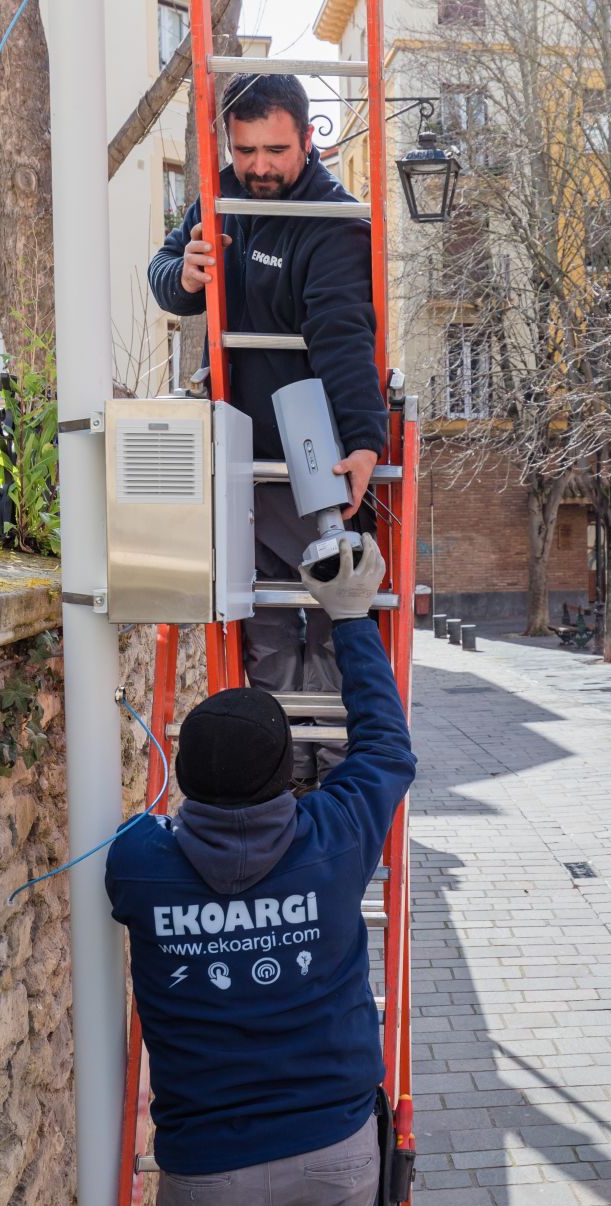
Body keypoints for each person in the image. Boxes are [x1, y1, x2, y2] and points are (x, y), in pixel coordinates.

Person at [106, 537, 415, 1206]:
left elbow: (144, 843)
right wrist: (350, 617)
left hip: (208, 1172)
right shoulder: (332, 840)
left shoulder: (139, 864)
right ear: (287, 773)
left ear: (187, 777)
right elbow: (386, 751)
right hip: (332, 1152)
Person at [149, 73, 386, 782]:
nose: (259, 165)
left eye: (275, 150)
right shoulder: (220, 200)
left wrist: (365, 440)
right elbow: (163, 273)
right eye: (246, 148)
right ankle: (281, 784)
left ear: (308, 140)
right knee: (269, 634)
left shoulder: (332, 222)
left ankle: (334, 791)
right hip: (238, 457)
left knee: (335, 627)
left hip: (309, 458)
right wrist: (183, 276)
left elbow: (345, 336)